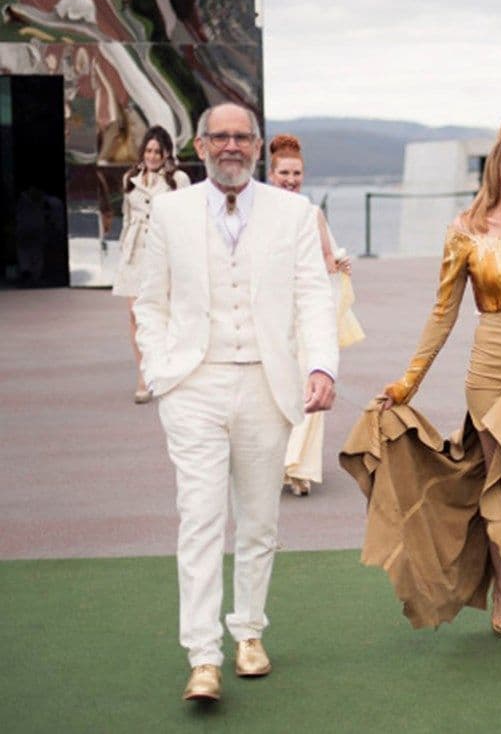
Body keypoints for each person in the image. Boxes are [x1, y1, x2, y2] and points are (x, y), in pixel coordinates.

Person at [340, 117, 501, 675]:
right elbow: (443, 314)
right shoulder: (465, 230)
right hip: (490, 378)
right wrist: (407, 382)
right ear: (496, 163)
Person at [133, 103, 338, 702]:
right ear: (199, 146)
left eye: (241, 137)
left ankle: (249, 631)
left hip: (266, 384)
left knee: (259, 519)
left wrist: (321, 364)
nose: (230, 146)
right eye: (218, 136)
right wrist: (158, 369)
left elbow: (314, 296)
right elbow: (150, 301)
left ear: (257, 145)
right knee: (198, 519)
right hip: (192, 383)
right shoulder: (168, 211)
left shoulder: (294, 212)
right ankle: (202, 654)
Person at [267, 133, 363, 497]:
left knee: (311, 382)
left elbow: (325, 259)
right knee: (278, 386)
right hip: (274, 314)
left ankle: (299, 467)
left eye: (296, 173)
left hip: (305, 313)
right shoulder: (261, 214)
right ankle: (275, 461)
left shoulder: (312, 213)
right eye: (284, 173)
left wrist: (338, 264)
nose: (291, 180)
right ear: (272, 173)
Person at [111, 126, 190, 403]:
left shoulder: (177, 179)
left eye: (158, 151)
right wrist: (123, 249)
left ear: (166, 152)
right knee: (135, 316)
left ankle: (167, 370)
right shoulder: (130, 178)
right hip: (134, 254)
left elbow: (186, 220)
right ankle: (143, 375)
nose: (153, 155)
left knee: (164, 314)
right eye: (148, 150)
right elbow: (126, 214)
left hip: (162, 253)